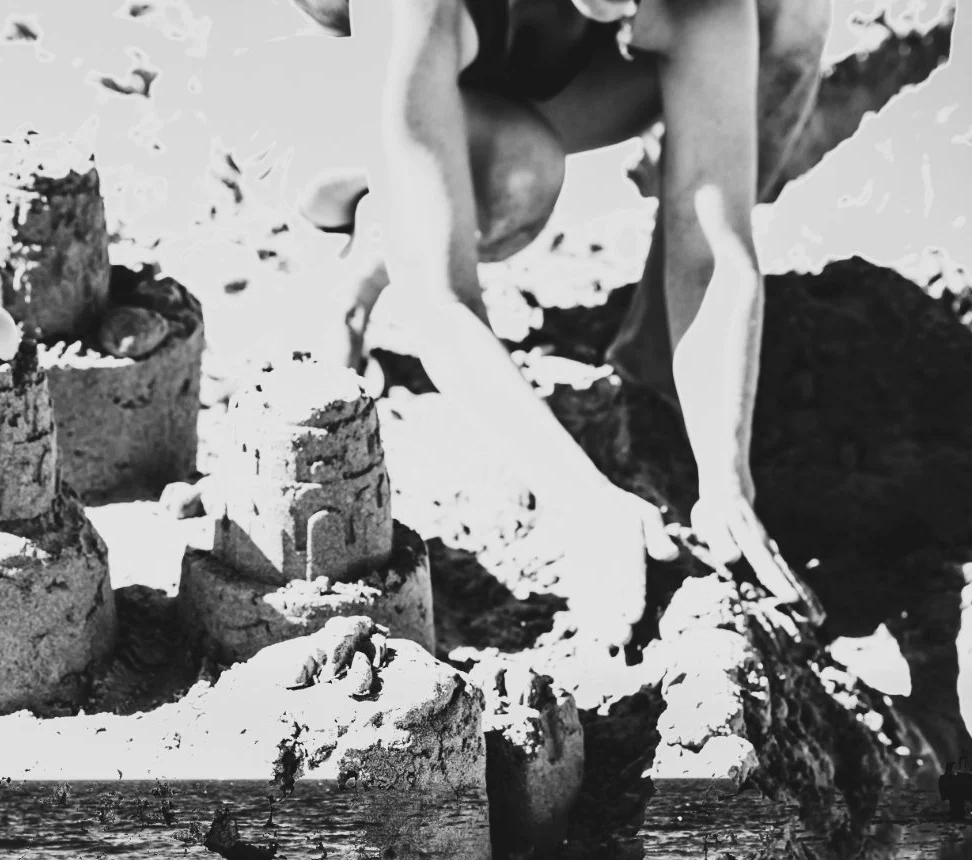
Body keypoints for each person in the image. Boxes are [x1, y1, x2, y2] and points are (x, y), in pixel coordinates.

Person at [289, 0, 829, 645]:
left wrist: (725, 477)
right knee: (511, 173)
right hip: (335, 79)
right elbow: (443, 299)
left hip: (509, 64)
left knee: (790, 14)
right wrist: (584, 500)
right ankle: (373, 235)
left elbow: (711, 254)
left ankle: (662, 371)